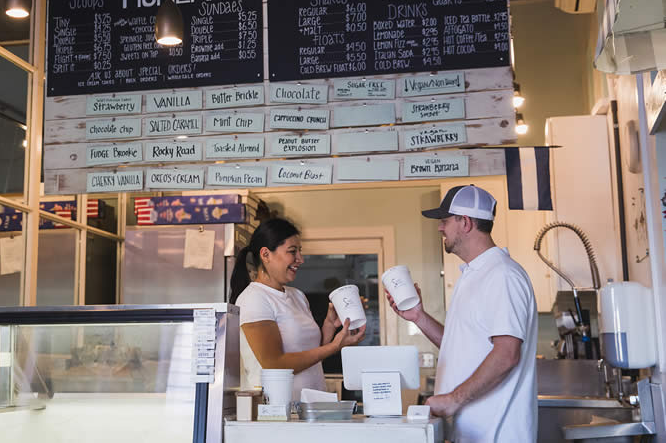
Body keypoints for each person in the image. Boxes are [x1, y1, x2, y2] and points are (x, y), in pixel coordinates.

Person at [386, 185, 538, 442]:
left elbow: (507, 353)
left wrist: (453, 400)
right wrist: (419, 317)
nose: (439, 228)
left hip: (498, 434)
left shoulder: (502, 275)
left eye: (444, 220)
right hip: (474, 433)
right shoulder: (473, 275)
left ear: (465, 223)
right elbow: (458, 346)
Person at [229, 217, 366, 400]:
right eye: (292, 251)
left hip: (311, 405)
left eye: (299, 251)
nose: (300, 259)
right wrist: (335, 346)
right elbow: (274, 365)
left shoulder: (297, 296)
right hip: (278, 413)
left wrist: (329, 326)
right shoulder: (254, 298)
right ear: (265, 254)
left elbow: (311, 354)